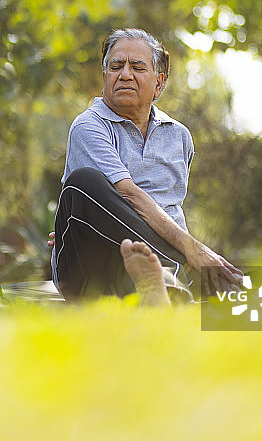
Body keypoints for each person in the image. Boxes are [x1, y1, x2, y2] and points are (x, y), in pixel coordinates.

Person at [49, 28, 243, 305]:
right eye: (116, 67)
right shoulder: (88, 126)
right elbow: (128, 195)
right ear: (104, 78)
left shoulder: (179, 136)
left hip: (152, 261)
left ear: (159, 84)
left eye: (137, 67)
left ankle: (166, 283)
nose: (125, 74)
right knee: (83, 183)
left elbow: (170, 208)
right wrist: (192, 251)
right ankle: (175, 275)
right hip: (91, 268)